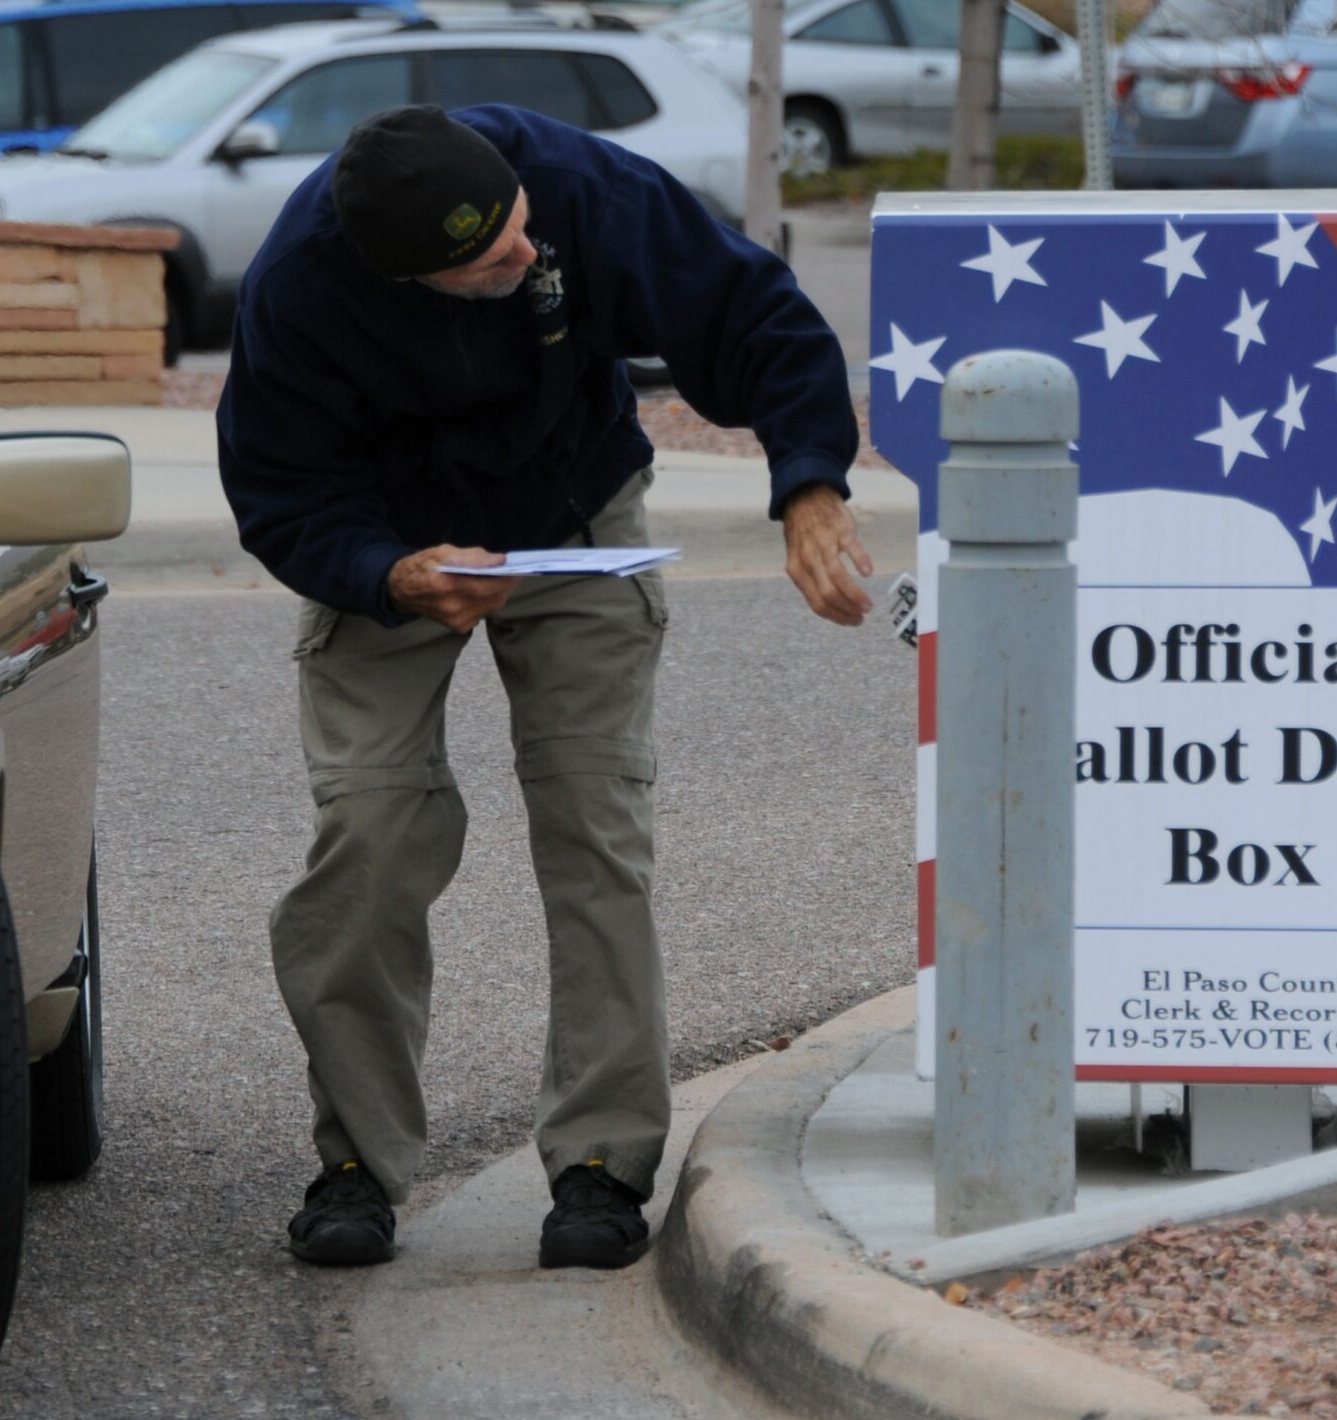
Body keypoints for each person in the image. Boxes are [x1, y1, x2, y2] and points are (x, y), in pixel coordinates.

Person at [216, 103, 869, 1271]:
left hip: (576, 511)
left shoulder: (578, 185)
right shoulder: (299, 287)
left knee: (591, 820)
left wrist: (810, 484)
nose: (526, 253)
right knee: (371, 827)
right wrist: (386, 572)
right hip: (392, 543)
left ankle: (600, 1164)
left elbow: (752, 313)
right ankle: (355, 1161)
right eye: (491, 259)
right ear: (409, 277)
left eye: (523, 228)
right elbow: (278, 492)